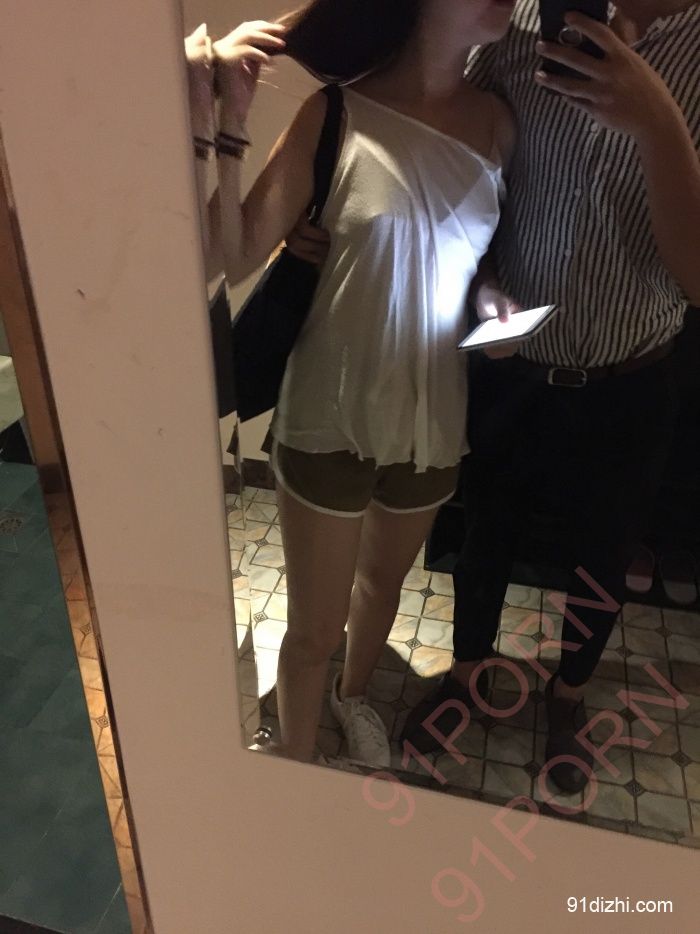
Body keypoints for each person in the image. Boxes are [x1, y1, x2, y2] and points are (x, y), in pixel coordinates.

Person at [185, 0, 518, 766]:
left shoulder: (500, 124)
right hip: (331, 408)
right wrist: (225, 120)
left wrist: (490, 301)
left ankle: (354, 695)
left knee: (381, 587)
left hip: (434, 418)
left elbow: (474, 256)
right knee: (312, 627)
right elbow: (225, 255)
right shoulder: (334, 114)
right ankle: (296, 758)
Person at [395, 0, 700, 793]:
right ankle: (467, 672)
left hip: (633, 374)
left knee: (604, 551)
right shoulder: (525, 24)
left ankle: (568, 696)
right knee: (486, 527)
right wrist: (483, 282)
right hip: (515, 364)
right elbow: (469, 171)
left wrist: (657, 120)